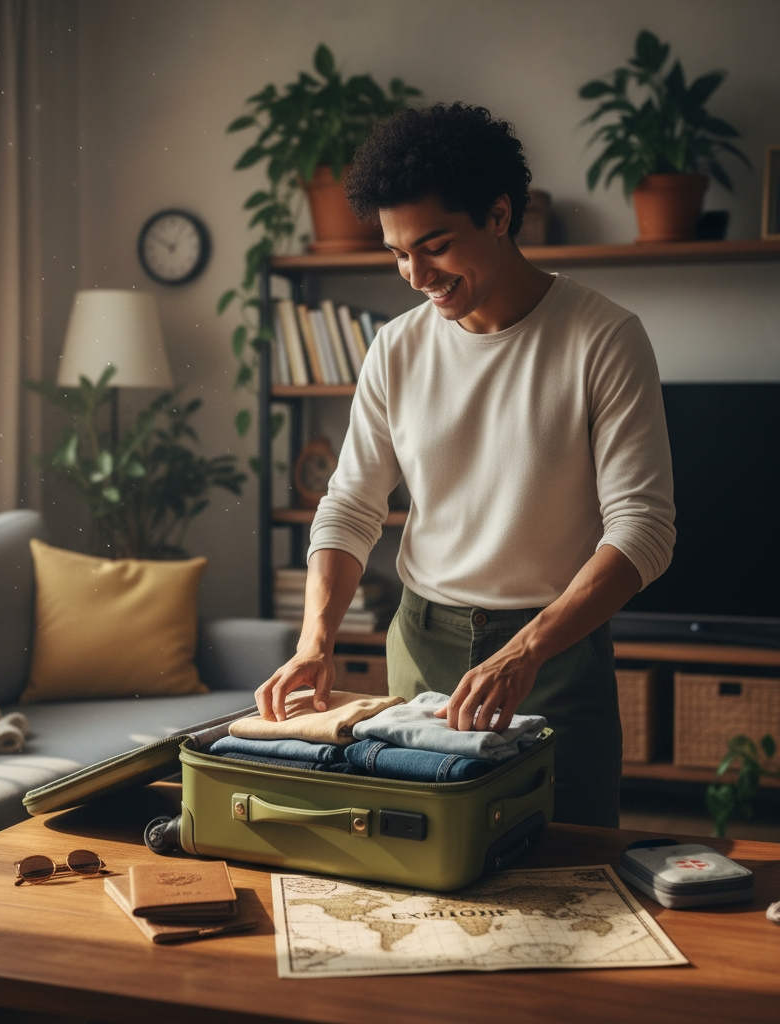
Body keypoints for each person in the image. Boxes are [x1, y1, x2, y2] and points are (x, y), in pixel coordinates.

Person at [255, 102, 676, 827]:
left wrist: (526, 651)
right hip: (422, 647)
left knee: (568, 871)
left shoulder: (604, 337)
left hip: (555, 655)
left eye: (435, 245)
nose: (415, 273)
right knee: (426, 864)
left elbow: (643, 530)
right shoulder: (397, 347)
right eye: (396, 253)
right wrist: (313, 641)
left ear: (501, 214)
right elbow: (352, 504)